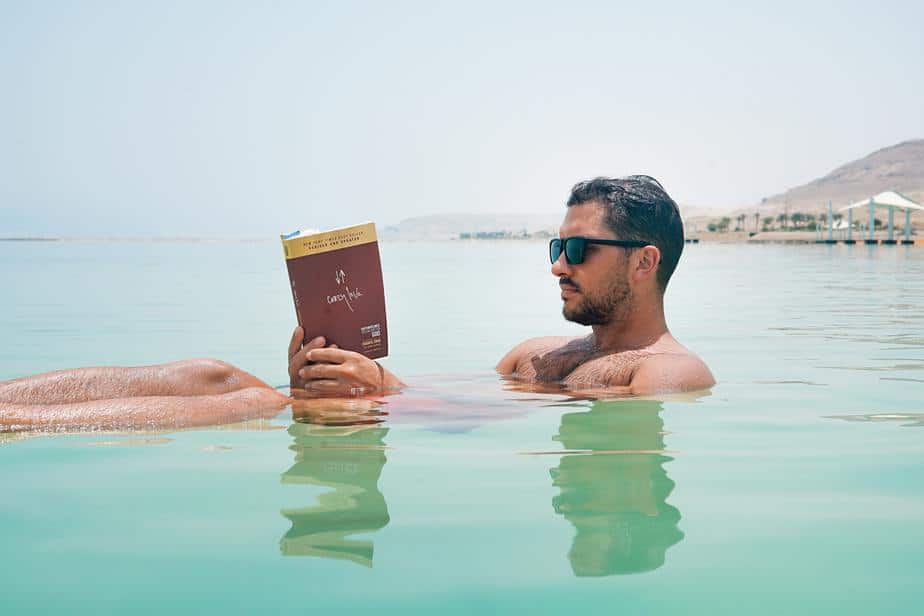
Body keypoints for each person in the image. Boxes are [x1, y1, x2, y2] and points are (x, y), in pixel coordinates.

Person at [291, 175, 714, 397]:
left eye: (580, 249)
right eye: (558, 247)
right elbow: (458, 401)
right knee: (226, 381)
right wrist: (328, 377)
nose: (559, 267)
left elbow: (614, 448)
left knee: (223, 379)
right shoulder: (530, 355)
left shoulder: (670, 371)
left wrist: (381, 388)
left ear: (644, 261)